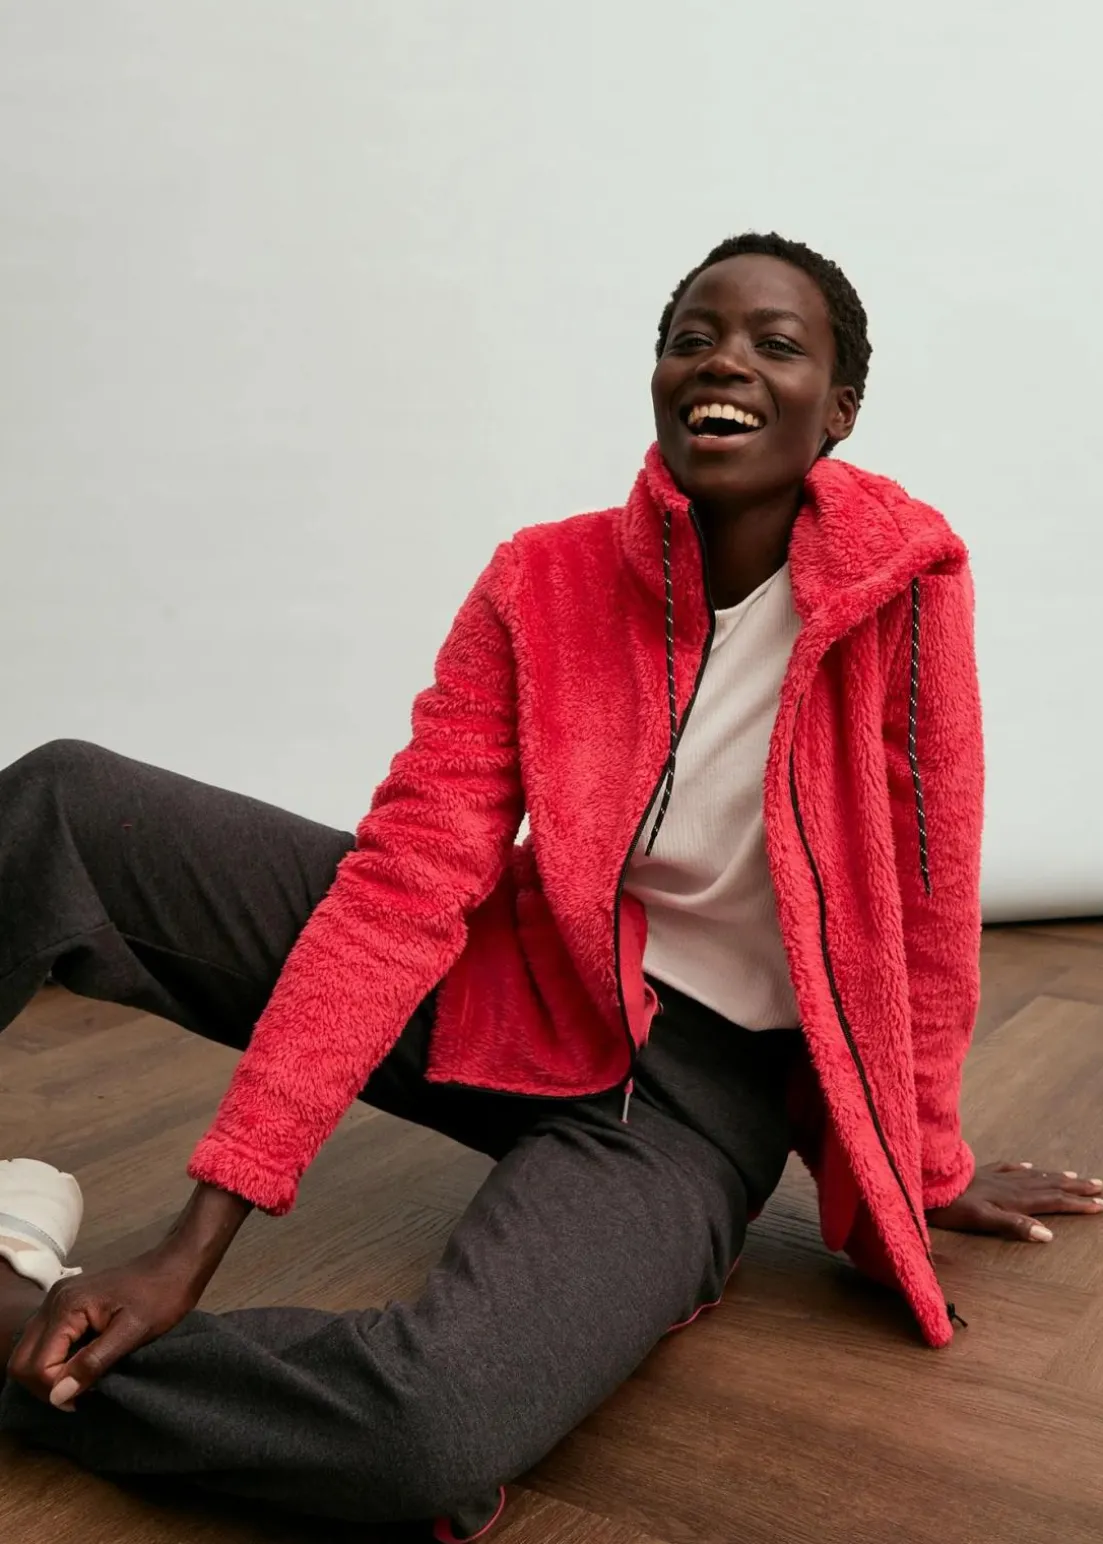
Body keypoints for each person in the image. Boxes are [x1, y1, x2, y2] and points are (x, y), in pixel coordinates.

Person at [1, 231, 1100, 1542]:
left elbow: (926, 907)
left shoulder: (902, 595)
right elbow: (405, 886)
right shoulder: (544, 579)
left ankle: (14, 1321)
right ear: (658, 374)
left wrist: (922, 1164)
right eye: (692, 337)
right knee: (64, 803)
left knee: (430, 1434)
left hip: (686, 1109)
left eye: (775, 344)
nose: (724, 362)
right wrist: (194, 1239)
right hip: (511, 979)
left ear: (839, 409)